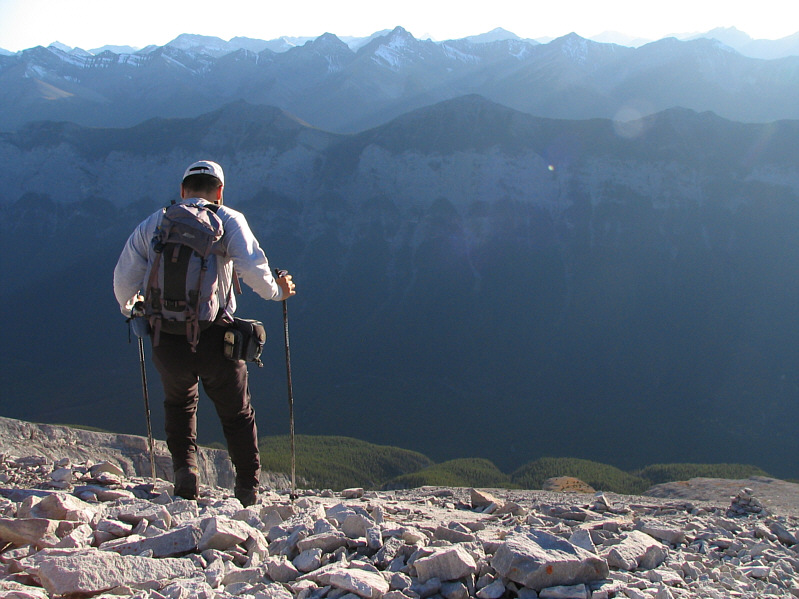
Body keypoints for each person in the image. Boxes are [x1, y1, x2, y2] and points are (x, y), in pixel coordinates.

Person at [113, 160, 295, 506]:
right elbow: (254, 271)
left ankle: (186, 474)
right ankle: (247, 488)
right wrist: (278, 292)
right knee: (237, 413)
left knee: (179, 404)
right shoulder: (228, 219)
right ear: (220, 192)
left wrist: (132, 310)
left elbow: (123, 281)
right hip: (216, 338)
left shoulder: (155, 222)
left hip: (166, 338)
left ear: (183, 190)